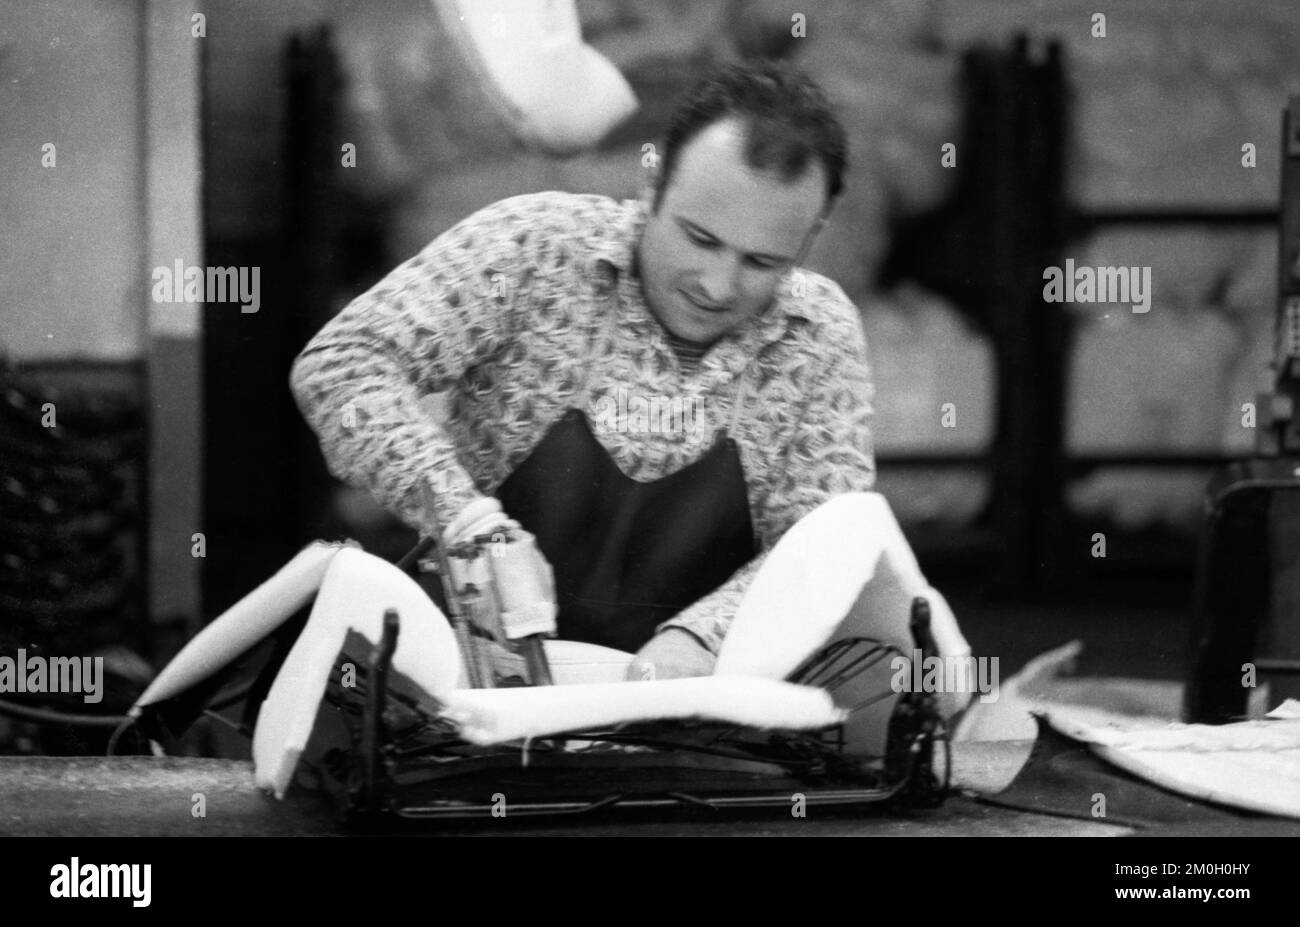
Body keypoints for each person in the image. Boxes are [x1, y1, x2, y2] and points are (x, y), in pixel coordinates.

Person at [290, 60, 878, 681]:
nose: (717, 284)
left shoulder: (819, 336)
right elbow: (343, 363)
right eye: (699, 239)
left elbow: (823, 542)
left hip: (690, 720)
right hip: (477, 688)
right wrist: (469, 525)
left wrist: (702, 638)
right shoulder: (533, 250)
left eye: (761, 262)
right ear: (652, 187)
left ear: (809, 240)